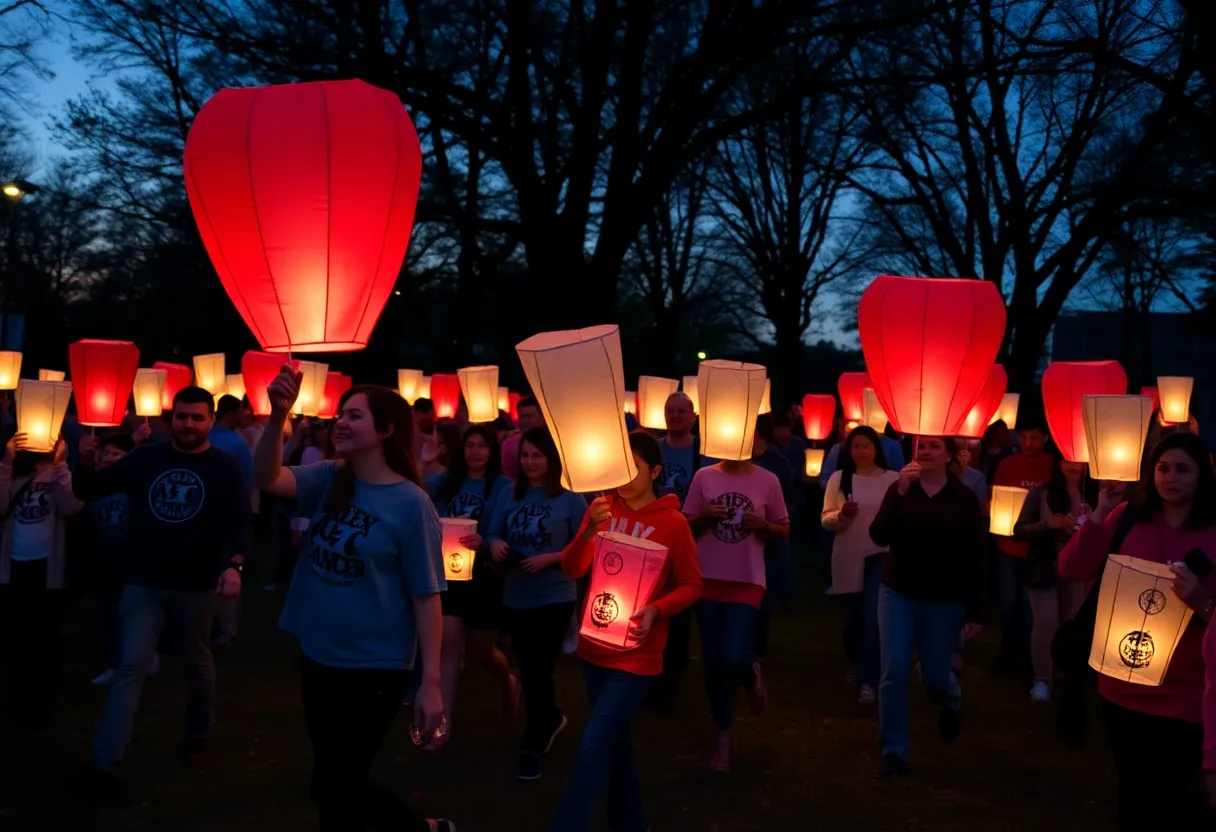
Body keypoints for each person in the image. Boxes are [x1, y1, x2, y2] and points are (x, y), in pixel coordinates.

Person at [254, 366, 454, 832]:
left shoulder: (411, 504)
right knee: (336, 781)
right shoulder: (330, 478)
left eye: (355, 416)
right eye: (341, 414)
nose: (341, 422)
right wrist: (277, 413)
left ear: (385, 431)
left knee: (333, 783)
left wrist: (431, 683)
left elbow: (428, 597)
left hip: (375, 666)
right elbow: (266, 478)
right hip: (319, 655)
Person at [72, 386, 251, 791]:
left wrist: (235, 565)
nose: (189, 424)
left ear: (209, 420)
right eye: (183, 416)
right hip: (144, 581)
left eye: (197, 417)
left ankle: (199, 733)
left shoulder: (224, 467)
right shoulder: (145, 459)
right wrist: (84, 462)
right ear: (173, 419)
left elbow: (241, 519)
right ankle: (106, 763)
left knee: (196, 661)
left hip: (197, 583)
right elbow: (89, 490)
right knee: (131, 665)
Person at [1059, 432, 1216, 830]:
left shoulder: (1211, 536)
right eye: (1163, 468)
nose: (1171, 478)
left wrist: (1202, 601)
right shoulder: (1127, 518)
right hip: (1122, 687)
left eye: (1183, 469)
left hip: (1185, 691)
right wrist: (1099, 514)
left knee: (1172, 794)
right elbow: (1071, 569)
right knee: (1133, 793)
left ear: (1202, 476)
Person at [551, 431, 702, 831]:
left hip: (637, 655)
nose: (625, 476)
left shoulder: (673, 524)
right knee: (615, 745)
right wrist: (588, 532)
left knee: (594, 742)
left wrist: (657, 609)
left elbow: (692, 584)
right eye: (619, 466)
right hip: (593, 649)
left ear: (655, 470)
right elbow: (572, 569)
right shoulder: (601, 509)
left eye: (634, 467)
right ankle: (631, 822)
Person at [868, 436, 985, 779]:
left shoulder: (963, 498)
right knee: (894, 669)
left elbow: (976, 556)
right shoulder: (900, 489)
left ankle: (951, 701)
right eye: (922, 446)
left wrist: (975, 610)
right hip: (898, 594)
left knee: (935, 675)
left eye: (935, 446)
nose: (927, 452)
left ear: (949, 453)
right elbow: (878, 535)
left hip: (945, 599)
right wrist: (900, 493)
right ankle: (893, 749)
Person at [485, 425, 588, 780]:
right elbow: (492, 530)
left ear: (553, 459)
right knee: (528, 665)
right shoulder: (510, 493)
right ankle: (550, 718)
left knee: (538, 667)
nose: (529, 462)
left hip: (555, 594)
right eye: (524, 455)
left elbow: (586, 545)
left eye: (537, 455)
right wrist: (494, 543)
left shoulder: (570, 499)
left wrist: (552, 558)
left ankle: (535, 737)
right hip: (516, 593)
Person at [683, 446, 789, 772]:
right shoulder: (704, 476)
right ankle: (724, 736)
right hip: (706, 578)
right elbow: (686, 524)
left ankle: (750, 670)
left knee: (732, 654)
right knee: (713, 660)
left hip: (746, 579)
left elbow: (784, 528)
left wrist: (764, 525)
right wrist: (705, 517)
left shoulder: (768, 480)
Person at [423, 424, 519, 745]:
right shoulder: (449, 480)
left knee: (481, 653)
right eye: (469, 445)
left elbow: (501, 526)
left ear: (492, 451)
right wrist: (425, 461)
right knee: (448, 645)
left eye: (482, 446)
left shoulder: (502, 485)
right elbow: (414, 492)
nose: (475, 452)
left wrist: (486, 539)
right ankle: (442, 728)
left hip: (483, 576)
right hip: (449, 574)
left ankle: (506, 679)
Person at [0, 433, 83, 728]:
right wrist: (8, 463)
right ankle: (19, 700)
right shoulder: (13, 468)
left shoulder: (60, 471)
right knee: (16, 638)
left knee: (44, 639)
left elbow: (72, 506)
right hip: (15, 567)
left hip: (47, 569)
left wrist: (61, 465)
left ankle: (41, 703)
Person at [821, 426, 899, 705]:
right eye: (856, 446)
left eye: (866, 446)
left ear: (876, 449)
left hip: (880, 554)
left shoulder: (893, 479)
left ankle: (869, 679)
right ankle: (854, 661)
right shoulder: (840, 480)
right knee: (851, 619)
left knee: (872, 618)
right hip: (848, 554)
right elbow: (826, 519)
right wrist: (842, 515)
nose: (861, 451)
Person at [1012, 454, 1093, 703]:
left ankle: (1063, 675)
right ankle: (1042, 680)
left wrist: (1091, 521)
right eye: (1068, 460)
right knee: (1046, 623)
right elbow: (1019, 529)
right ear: (1059, 463)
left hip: (1077, 568)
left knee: (1069, 623)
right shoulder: (1041, 494)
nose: (1073, 466)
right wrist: (1048, 524)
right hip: (1045, 565)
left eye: (1078, 460)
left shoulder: (1092, 494)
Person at [991, 422, 1055, 674]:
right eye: (1025, 437)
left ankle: (1031, 659)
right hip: (1009, 544)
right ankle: (1008, 651)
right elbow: (994, 496)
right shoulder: (1008, 465)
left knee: (1032, 608)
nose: (1029, 443)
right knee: (1009, 604)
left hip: (1038, 548)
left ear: (1045, 438)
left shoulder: (1052, 466)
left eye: (1035, 437)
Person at [500, 396, 544, 480]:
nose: (525, 420)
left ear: (542, 418)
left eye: (529, 416)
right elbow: (507, 474)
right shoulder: (510, 444)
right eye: (522, 417)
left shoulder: (554, 443)